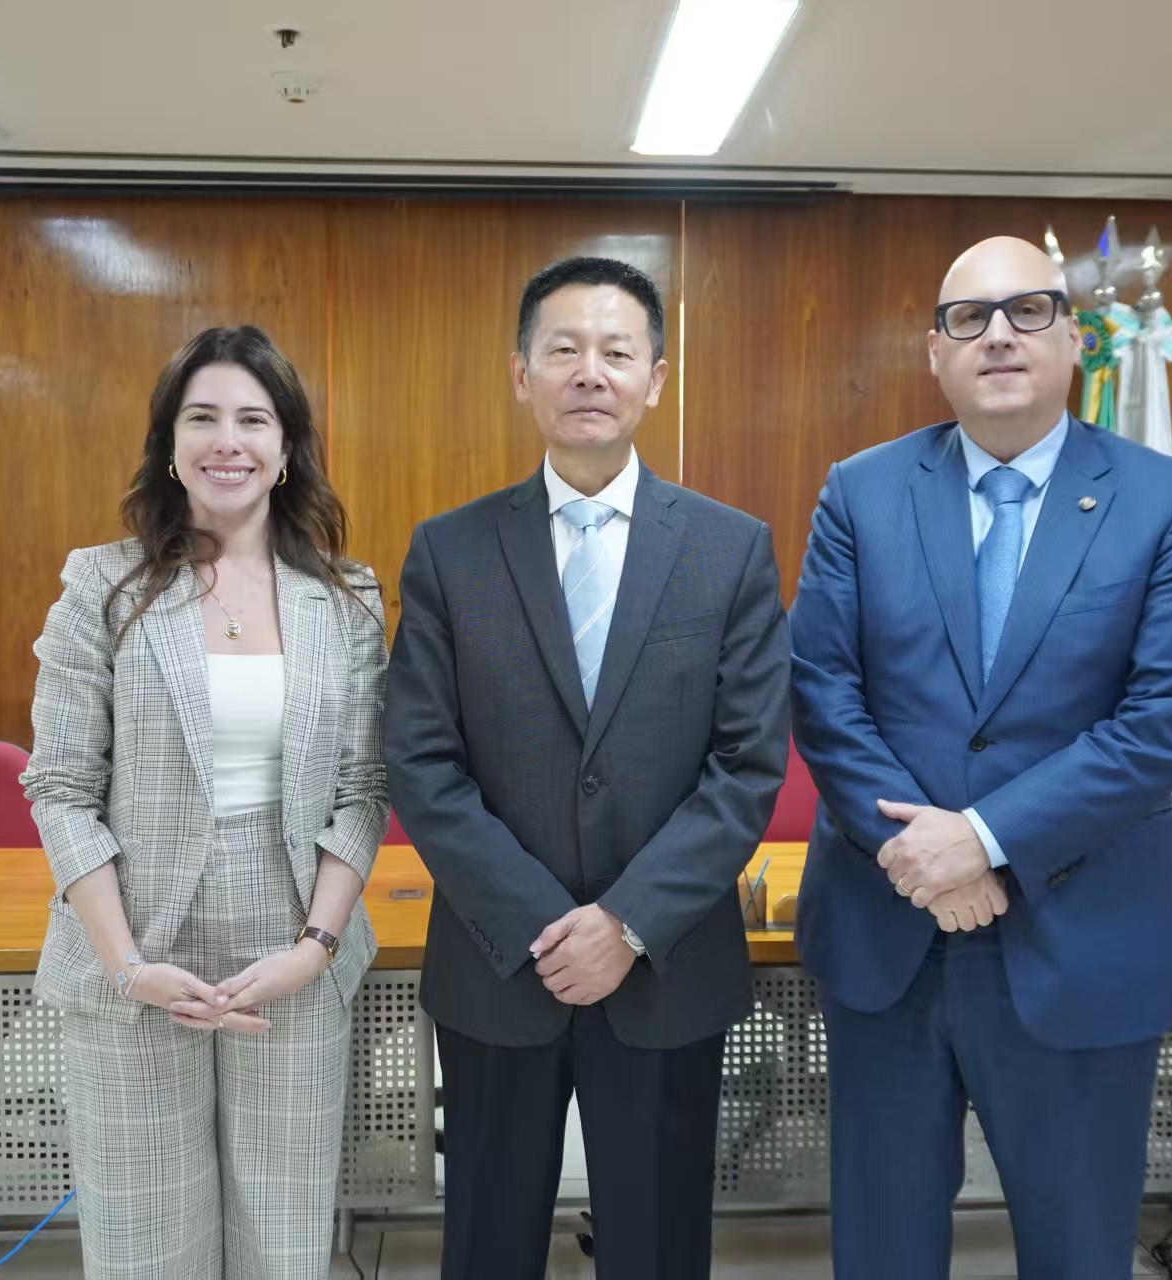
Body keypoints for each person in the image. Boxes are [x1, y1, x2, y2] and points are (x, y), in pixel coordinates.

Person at [789, 237, 1172, 1279]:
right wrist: (924, 856)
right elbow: (823, 692)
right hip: (887, 932)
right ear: (934, 353)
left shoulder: (1169, 502)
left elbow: (1161, 722)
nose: (998, 334)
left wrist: (984, 840)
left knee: (1079, 1250)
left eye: (1028, 311)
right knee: (883, 1251)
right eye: (968, 317)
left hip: (1080, 937)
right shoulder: (861, 491)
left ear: (1074, 339)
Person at [384, 256, 789, 1280]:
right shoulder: (451, 551)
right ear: (522, 375)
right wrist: (540, 921)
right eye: (563, 349)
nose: (589, 372)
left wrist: (626, 922)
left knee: (657, 1248)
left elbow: (747, 764)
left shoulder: (730, 549)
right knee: (487, 1247)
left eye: (616, 351)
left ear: (657, 379)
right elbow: (422, 759)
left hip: (665, 964)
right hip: (497, 964)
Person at [22, 325, 389, 1279]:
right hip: (136, 955)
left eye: (254, 420)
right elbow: (60, 788)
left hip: (292, 956)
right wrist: (126, 966)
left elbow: (362, 790)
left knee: (284, 1243)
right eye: (203, 417)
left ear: (286, 447)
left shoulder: (345, 598)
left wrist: (314, 948)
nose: (229, 441)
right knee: (146, 1246)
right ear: (170, 444)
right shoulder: (102, 585)